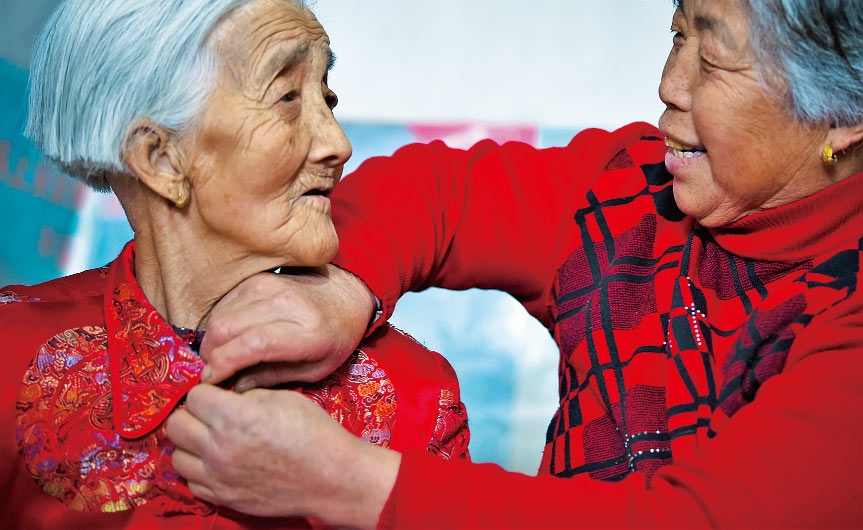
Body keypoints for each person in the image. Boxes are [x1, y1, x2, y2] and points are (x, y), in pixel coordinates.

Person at [165, 0, 863, 528]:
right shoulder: (631, 191)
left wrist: (346, 484)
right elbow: (441, 195)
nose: (669, 85)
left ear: (842, 116)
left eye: (713, 61)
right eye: (678, 35)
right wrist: (342, 289)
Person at [0, 0, 469, 528]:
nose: (338, 144)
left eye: (327, 98)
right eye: (287, 97)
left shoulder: (413, 392)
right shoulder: (8, 358)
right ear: (160, 158)